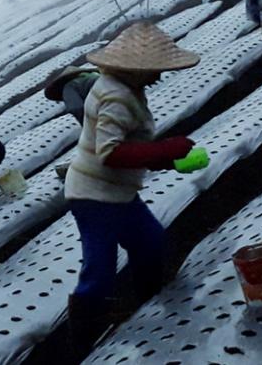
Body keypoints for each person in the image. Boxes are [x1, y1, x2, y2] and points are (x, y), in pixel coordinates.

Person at [64, 21, 207, 351]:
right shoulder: (115, 96)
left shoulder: (124, 87)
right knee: (99, 270)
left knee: (151, 243)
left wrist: (163, 159)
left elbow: (128, 148)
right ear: (135, 68)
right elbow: (110, 153)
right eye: (153, 70)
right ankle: (81, 342)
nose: (158, 76)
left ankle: (148, 305)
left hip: (116, 193)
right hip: (94, 196)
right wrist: (163, 150)